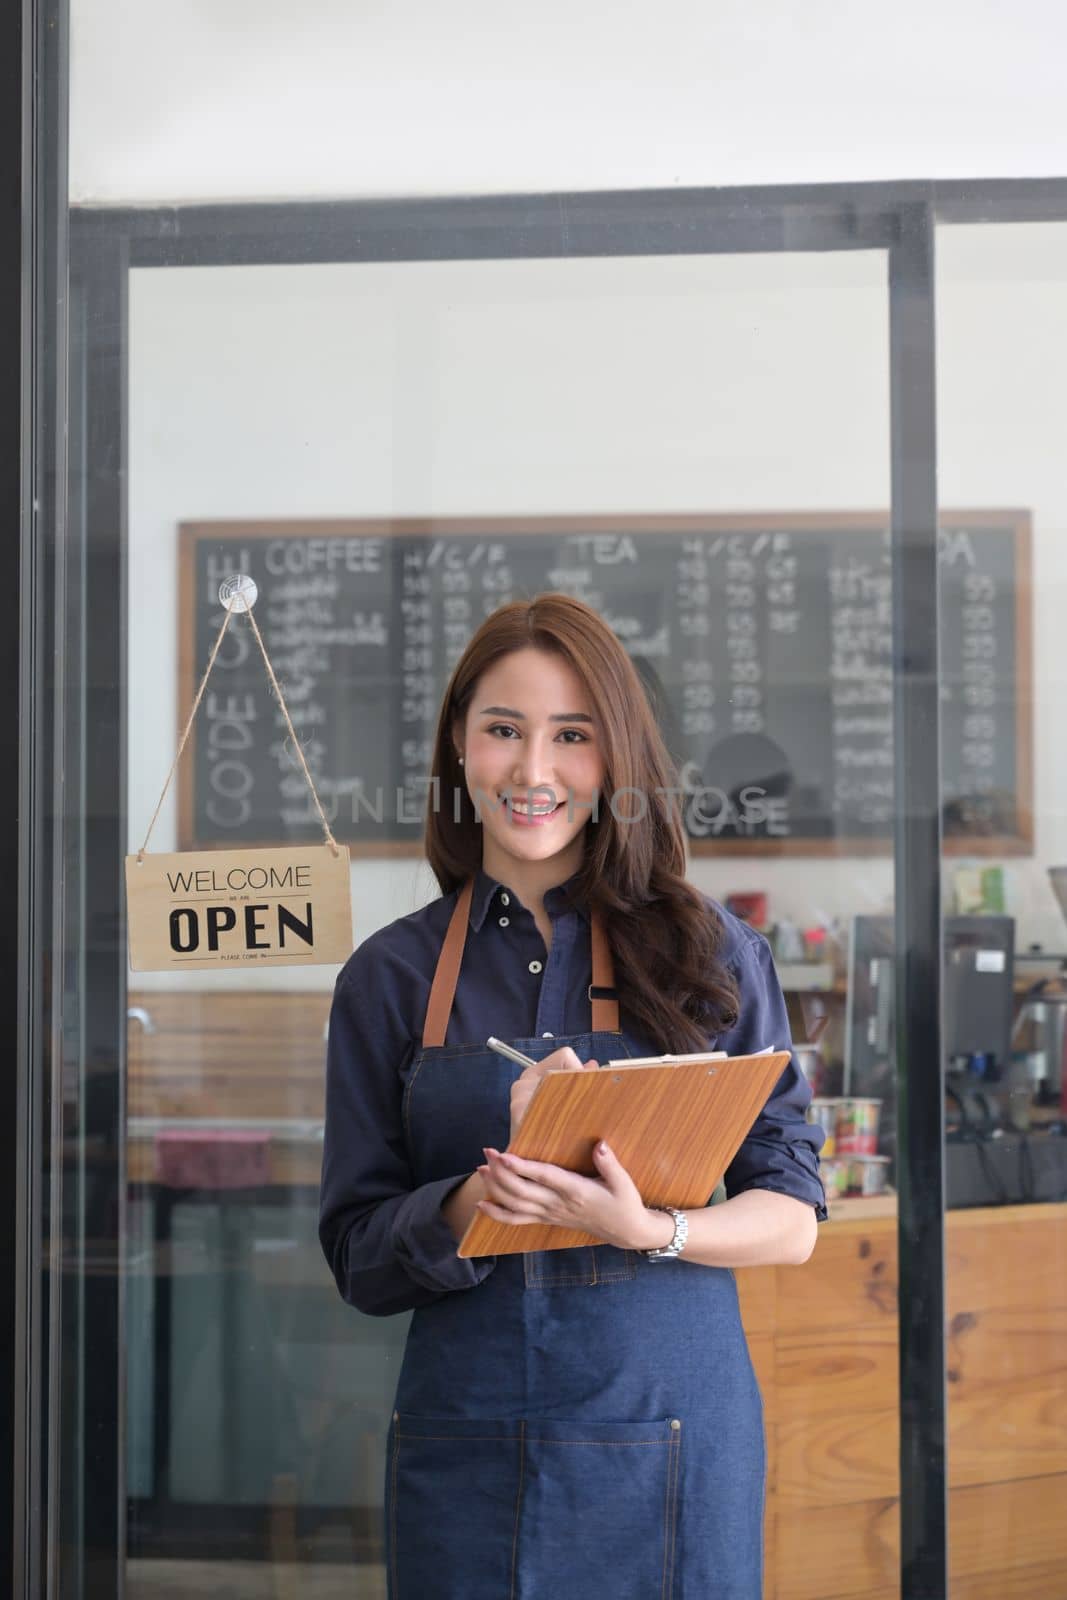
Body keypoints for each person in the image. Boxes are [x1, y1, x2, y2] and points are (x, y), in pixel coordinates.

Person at [319, 593, 827, 1600]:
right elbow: (360, 1262)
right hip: (464, 1446)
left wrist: (647, 1227)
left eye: (571, 735)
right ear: (459, 748)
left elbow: (792, 1219)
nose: (533, 769)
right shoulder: (388, 977)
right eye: (503, 729)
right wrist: (482, 1197)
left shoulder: (710, 955)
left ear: (617, 756)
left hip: (673, 1445)